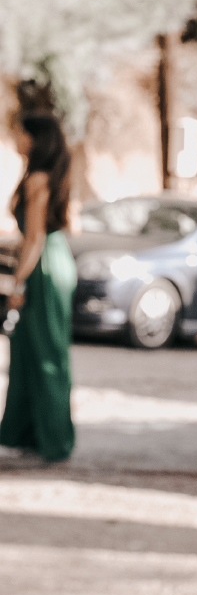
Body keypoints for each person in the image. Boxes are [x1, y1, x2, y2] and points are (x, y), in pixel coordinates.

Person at [0, 113, 77, 463]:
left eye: (20, 133)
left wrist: (18, 282)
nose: (16, 138)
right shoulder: (51, 175)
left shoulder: (38, 179)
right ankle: (30, 435)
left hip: (43, 268)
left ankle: (54, 441)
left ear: (34, 138)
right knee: (30, 353)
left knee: (45, 355)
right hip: (53, 261)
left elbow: (35, 238)